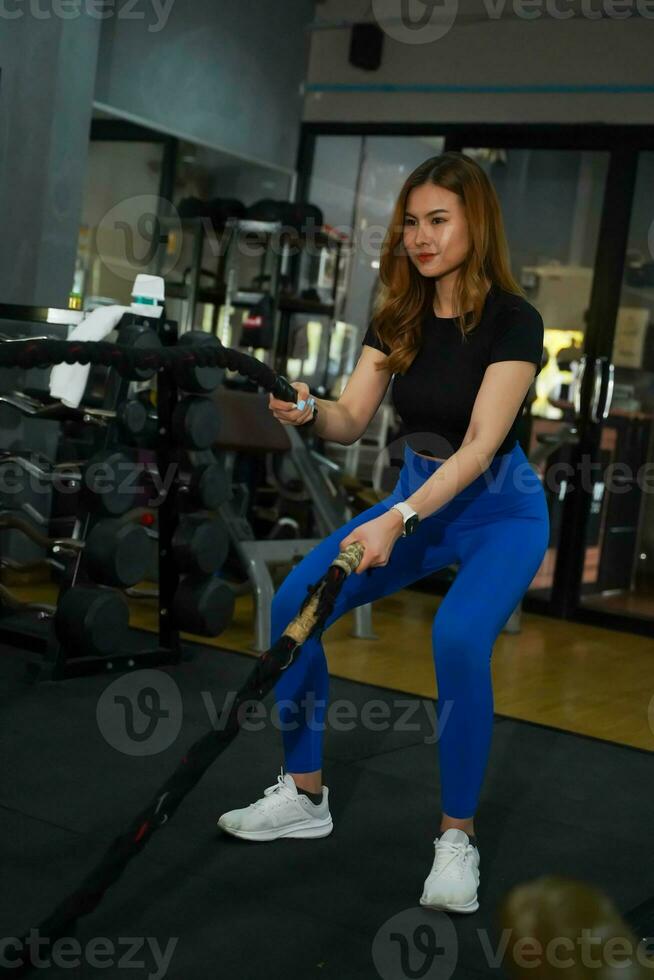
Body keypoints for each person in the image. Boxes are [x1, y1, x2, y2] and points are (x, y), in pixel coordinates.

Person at [217, 151, 549, 915]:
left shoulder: (514, 320)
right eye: (411, 222)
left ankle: (456, 837)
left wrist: (398, 521)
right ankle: (305, 796)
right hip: (412, 498)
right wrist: (308, 410)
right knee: (296, 601)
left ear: (476, 224)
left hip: (499, 511)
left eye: (439, 220)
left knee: (460, 640)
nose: (421, 236)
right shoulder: (397, 315)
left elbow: (477, 446)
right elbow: (349, 419)